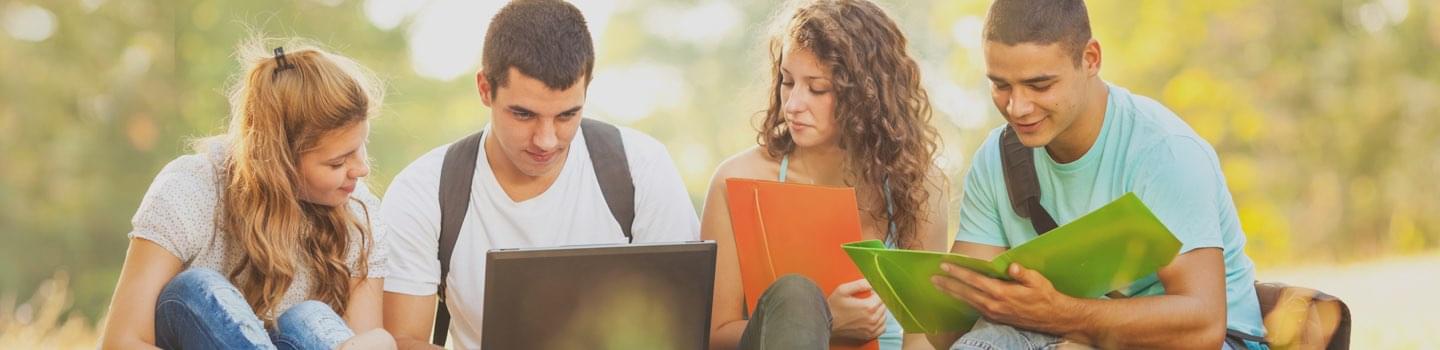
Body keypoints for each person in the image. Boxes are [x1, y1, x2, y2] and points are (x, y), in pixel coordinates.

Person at [929, 0, 1268, 349]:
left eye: (1040, 86)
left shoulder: (1163, 151)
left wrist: (1060, 313)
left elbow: (1203, 327)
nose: (1017, 107)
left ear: (1090, 59)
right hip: (1063, 333)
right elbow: (954, 319)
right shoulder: (997, 157)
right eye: (1001, 86)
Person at [377, 1, 700, 349]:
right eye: (523, 114)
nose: (546, 140)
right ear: (485, 89)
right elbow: (403, 340)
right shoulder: (424, 191)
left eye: (566, 115)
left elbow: (679, 331)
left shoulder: (641, 168)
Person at [98, 38, 394, 350]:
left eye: (361, 146)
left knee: (310, 319)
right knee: (198, 289)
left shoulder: (358, 213)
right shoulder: (191, 188)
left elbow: (363, 335)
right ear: (279, 162)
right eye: (337, 162)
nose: (362, 169)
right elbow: (122, 342)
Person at [700, 1, 951, 349]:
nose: (793, 105)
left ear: (866, 95)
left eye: (817, 88)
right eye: (787, 82)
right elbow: (713, 336)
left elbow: (923, 340)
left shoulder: (917, 187)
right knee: (798, 294)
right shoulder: (738, 180)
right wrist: (823, 321)